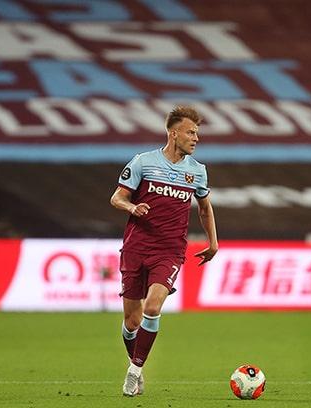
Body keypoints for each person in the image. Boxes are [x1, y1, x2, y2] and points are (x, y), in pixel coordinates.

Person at [110, 105, 219, 397]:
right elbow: (117, 198)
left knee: (152, 307)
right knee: (131, 322)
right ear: (173, 133)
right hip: (136, 247)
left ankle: (134, 371)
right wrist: (132, 207)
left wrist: (213, 242)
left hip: (169, 250)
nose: (196, 138)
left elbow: (204, 209)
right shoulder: (143, 162)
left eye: (197, 133)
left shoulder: (197, 171)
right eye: (190, 132)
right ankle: (136, 362)